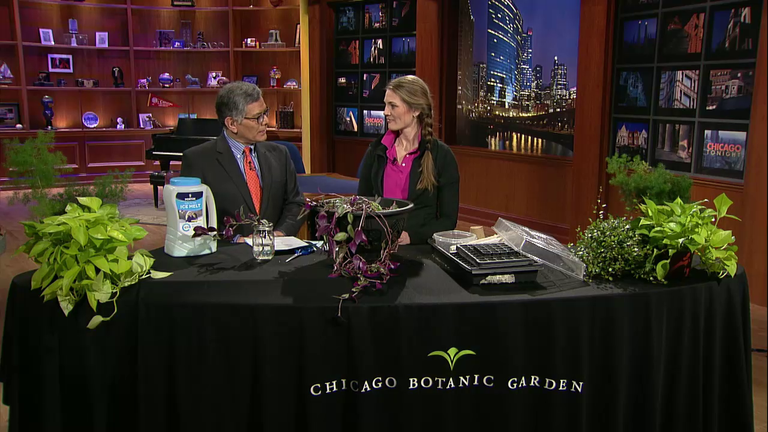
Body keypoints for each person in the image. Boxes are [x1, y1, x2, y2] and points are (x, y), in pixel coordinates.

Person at [180, 81, 304, 237]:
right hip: (227, 251)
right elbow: (191, 220)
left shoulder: (280, 154)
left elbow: (296, 203)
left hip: (276, 249)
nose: (266, 121)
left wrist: (280, 233)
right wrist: (233, 239)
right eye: (257, 117)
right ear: (232, 123)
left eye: (265, 112)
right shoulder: (198, 160)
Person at [357, 75, 459, 245]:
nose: (385, 112)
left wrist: (412, 237)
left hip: (420, 248)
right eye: (385, 105)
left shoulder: (441, 156)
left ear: (415, 110)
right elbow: (362, 206)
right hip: (379, 246)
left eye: (393, 106)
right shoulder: (377, 151)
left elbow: (448, 221)